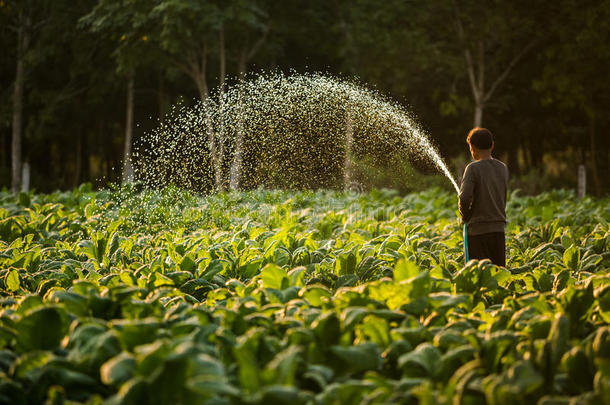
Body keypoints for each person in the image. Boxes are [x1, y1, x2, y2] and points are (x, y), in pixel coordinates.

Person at [459, 127, 509, 266]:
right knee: (498, 275)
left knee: (479, 277)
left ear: (472, 148)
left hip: (477, 232)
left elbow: (464, 198)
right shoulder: (503, 168)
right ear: (492, 145)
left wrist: (465, 216)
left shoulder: (472, 168)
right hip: (498, 230)